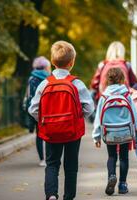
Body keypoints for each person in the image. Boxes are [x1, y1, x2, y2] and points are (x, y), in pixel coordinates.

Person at [28, 41, 94, 200]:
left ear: (52, 62)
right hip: (72, 132)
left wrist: (44, 121)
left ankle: (51, 195)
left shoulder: (45, 84)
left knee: (52, 164)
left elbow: (33, 109)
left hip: (51, 132)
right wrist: (77, 118)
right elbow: (89, 107)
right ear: (71, 63)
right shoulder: (76, 83)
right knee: (71, 167)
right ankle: (68, 197)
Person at [92, 67, 137, 196]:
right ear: (123, 79)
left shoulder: (104, 96)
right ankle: (122, 184)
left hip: (109, 132)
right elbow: (134, 114)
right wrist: (135, 130)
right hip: (125, 131)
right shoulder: (127, 95)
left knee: (112, 156)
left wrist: (96, 137)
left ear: (108, 80)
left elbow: (98, 118)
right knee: (124, 157)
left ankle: (111, 176)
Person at [23, 56, 51, 167]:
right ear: (45, 67)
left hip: (35, 110)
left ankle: (42, 159)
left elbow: (29, 96)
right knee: (48, 134)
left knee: (39, 135)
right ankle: (48, 157)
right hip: (47, 110)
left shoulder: (32, 78)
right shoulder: (48, 79)